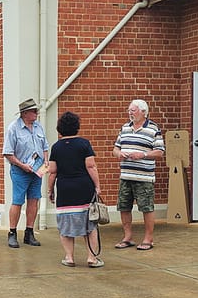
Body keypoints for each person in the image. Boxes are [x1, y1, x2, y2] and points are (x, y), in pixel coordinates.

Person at [47, 111, 103, 268]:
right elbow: (91, 166)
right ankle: (92, 258)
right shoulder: (84, 144)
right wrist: (97, 186)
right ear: (77, 127)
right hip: (84, 187)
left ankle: (69, 257)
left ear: (60, 128)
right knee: (89, 224)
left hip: (65, 189)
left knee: (65, 224)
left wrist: (50, 190)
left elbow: (52, 172)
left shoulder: (56, 147)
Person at [112, 99, 165, 251]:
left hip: (144, 177)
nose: (130, 113)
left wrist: (142, 155)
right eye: (129, 110)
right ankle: (127, 237)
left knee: (146, 207)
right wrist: (119, 154)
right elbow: (115, 149)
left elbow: (160, 152)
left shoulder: (153, 129)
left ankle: (148, 238)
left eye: (133, 110)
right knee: (124, 206)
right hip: (126, 175)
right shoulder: (125, 128)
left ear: (143, 112)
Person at [2, 98, 49, 248]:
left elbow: (45, 147)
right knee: (17, 201)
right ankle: (12, 233)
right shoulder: (13, 129)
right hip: (20, 171)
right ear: (24, 113)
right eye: (33, 111)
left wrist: (46, 161)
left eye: (36, 110)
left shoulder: (39, 127)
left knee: (34, 199)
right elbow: (8, 153)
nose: (36, 113)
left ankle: (29, 233)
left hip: (36, 171)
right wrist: (22, 166)